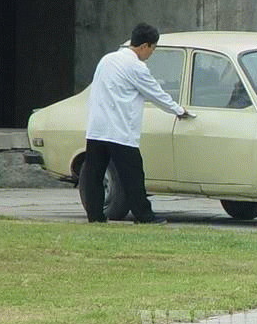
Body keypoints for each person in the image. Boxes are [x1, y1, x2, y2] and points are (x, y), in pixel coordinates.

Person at [80, 23, 193, 223]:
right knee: (133, 176)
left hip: (97, 129)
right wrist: (179, 110)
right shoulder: (136, 67)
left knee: (94, 175)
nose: (152, 53)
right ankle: (144, 215)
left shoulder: (107, 60)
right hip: (120, 131)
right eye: (153, 48)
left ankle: (95, 216)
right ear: (145, 46)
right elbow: (156, 94)